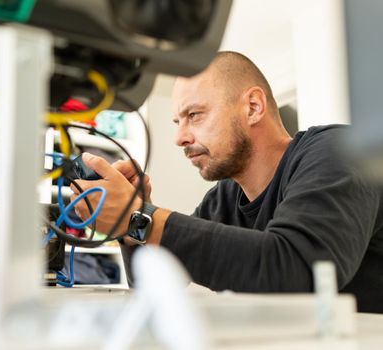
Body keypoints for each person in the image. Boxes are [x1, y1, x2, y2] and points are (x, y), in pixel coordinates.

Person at [70, 51, 383, 313]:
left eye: (195, 115)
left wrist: (143, 218)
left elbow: (296, 273)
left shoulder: (340, 151)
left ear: (253, 107)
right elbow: (155, 286)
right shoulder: (224, 199)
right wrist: (131, 227)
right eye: (178, 122)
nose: (180, 137)